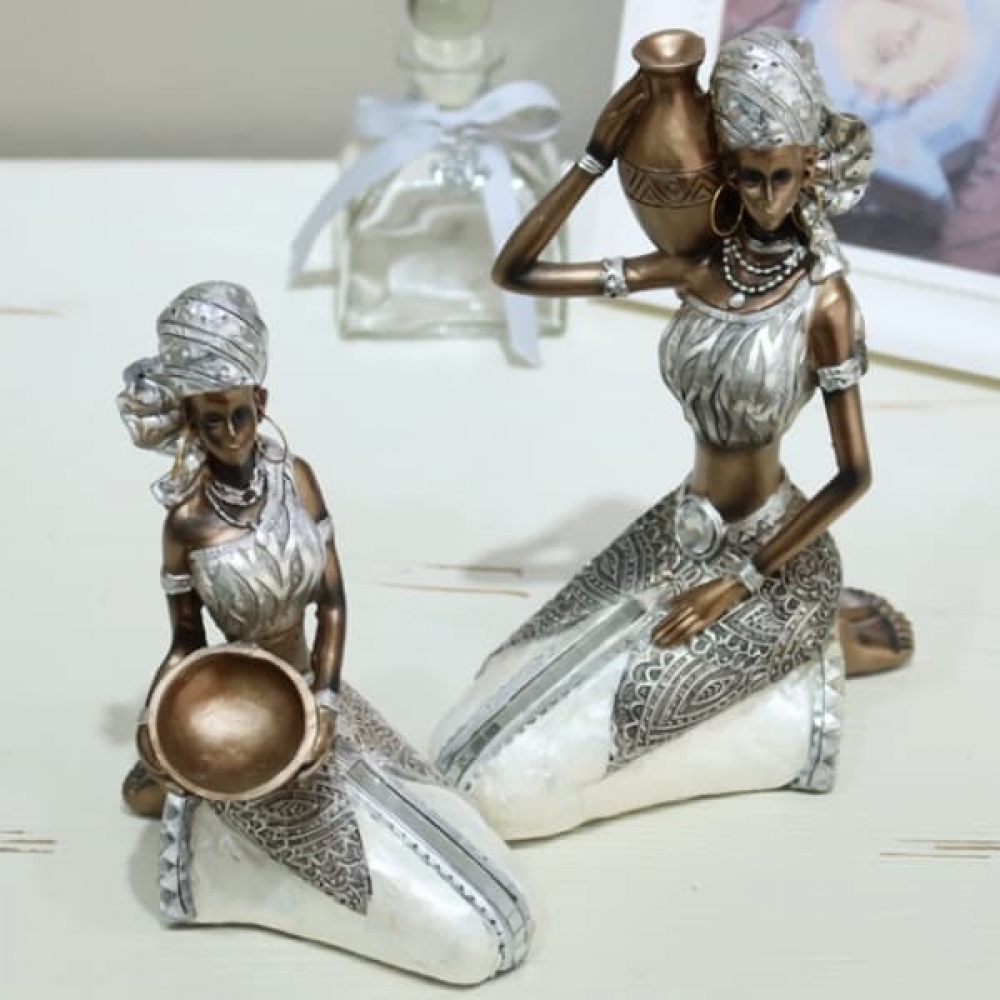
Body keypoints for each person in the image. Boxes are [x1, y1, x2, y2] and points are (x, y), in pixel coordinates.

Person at [430, 28, 913, 842]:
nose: (765, 197)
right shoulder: (700, 267)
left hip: (766, 557)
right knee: (508, 678)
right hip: (680, 528)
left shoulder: (825, 302)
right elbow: (516, 273)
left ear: (810, 172)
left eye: (782, 177)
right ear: (728, 172)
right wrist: (593, 157)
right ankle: (812, 635)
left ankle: (816, 635)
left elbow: (854, 473)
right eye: (749, 177)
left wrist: (739, 584)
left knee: (576, 746)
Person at [117, 281, 532, 982]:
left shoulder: (298, 481)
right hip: (243, 717)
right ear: (189, 420)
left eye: (241, 414)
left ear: (262, 404)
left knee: (433, 812)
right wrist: (159, 720)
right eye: (211, 422)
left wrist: (329, 702)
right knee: (351, 857)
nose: (230, 434)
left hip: (318, 686)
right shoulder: (185, 524)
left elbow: (332, 603)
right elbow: (188, 644)